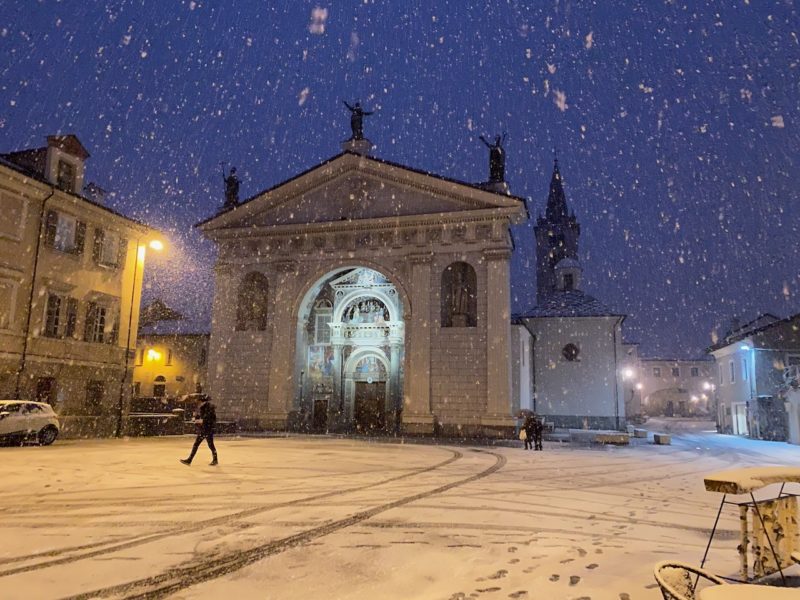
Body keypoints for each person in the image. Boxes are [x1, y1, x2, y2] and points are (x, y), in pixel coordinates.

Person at [180, 394, 218, 466]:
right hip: (203, 429)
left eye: (198, 401)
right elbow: (202, 417)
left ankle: (215, 460)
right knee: (199, 444)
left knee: (210, 445)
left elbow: (211, 419)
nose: (197, 402)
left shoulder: (209, 408)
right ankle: (190, 460)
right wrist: (196, 418)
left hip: (208, 429)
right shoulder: (202, 407)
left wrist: (202, 421)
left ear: (201, 401)